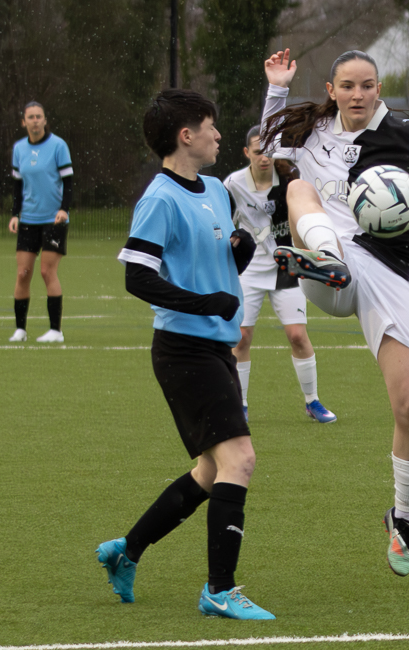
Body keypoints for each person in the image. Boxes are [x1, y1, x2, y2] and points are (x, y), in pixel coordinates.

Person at [261, 49, 409, 577]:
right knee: (298, 186)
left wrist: (405, 203)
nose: (358, 94)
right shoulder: (314, 133)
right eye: (348, 86)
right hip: (330, 265)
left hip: (390, 270)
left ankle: (402, 519)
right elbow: (267, 145)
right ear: (331, 90)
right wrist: (278, 88)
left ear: (379, 89)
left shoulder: (404, 134)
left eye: (368, 85)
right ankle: (324, 256)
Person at [95, 89, 274, 621]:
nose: (219, 135)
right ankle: (220, 590)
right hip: (183, 350)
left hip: (216, 346)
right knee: (240, 460)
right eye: (210, 126)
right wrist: (205, 302)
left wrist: (239, 253)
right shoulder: (160, 199)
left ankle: (126, 551)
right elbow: (137, 277)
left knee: (210, 471)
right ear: (185, 135)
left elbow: (217, 267)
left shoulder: (215, 190)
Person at [223, 125, 336, 424]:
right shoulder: (233, 184)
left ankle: (312, 401)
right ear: (246, 153)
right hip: (249, 269)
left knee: (297, 335)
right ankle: (240, 405)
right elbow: (222, 222)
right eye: (258, 152)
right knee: (241, 338)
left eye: (269, 152)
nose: (264, 158)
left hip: (287, 266)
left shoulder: (290, 180)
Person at [8, 101, 73, 343]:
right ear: (23, 122)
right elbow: (17, 186)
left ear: (45, 120)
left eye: (39, 117)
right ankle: (20, 330)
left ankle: (56, 331)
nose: (35, 121)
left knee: (47, 271)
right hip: (29, 220)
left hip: (53, 220)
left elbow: (68, 182)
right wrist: (15, 214)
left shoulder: (58, 146)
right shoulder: (19, 149)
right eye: (31, 117)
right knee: (23, 273)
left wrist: (64, 209)